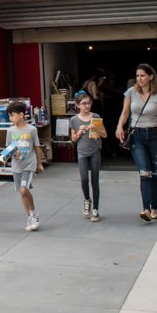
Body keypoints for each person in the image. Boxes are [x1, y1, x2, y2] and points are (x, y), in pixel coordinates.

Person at [116, 63, 157, 222]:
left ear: (150, 77)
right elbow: (125, 112)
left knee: (154, 173)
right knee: (145, 172)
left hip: (156, 134)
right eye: (137, 76)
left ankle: (154, 207)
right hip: (138, 135)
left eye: (142, 76)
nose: (139, 79)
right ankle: (146, 209)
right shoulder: (131, 93)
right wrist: (119, 126)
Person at [6, 101, 44, 230]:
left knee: (24, 189)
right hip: (16, 165)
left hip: (29, 164)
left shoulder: (32, 129)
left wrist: (39, 163)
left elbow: (36, 146)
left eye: (12, 115)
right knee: (22, 193)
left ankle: (34, 213)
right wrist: (9, 155)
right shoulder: (10, 131)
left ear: (21, 115)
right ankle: (29, 217)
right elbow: (9, 148)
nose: (10, 119)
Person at [69, 92, 104, 222]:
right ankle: (87, 199)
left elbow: (104, 134)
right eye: (84, 103)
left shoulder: (95, 117)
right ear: (78, 105)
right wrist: (79, 131)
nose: (87, 106)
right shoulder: (74, 120)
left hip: (95, 150)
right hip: (82, 152)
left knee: (95, 180)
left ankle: (95, 209)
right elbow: (73, 138)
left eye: (89, 103)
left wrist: (95, 128)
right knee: (84, 178)